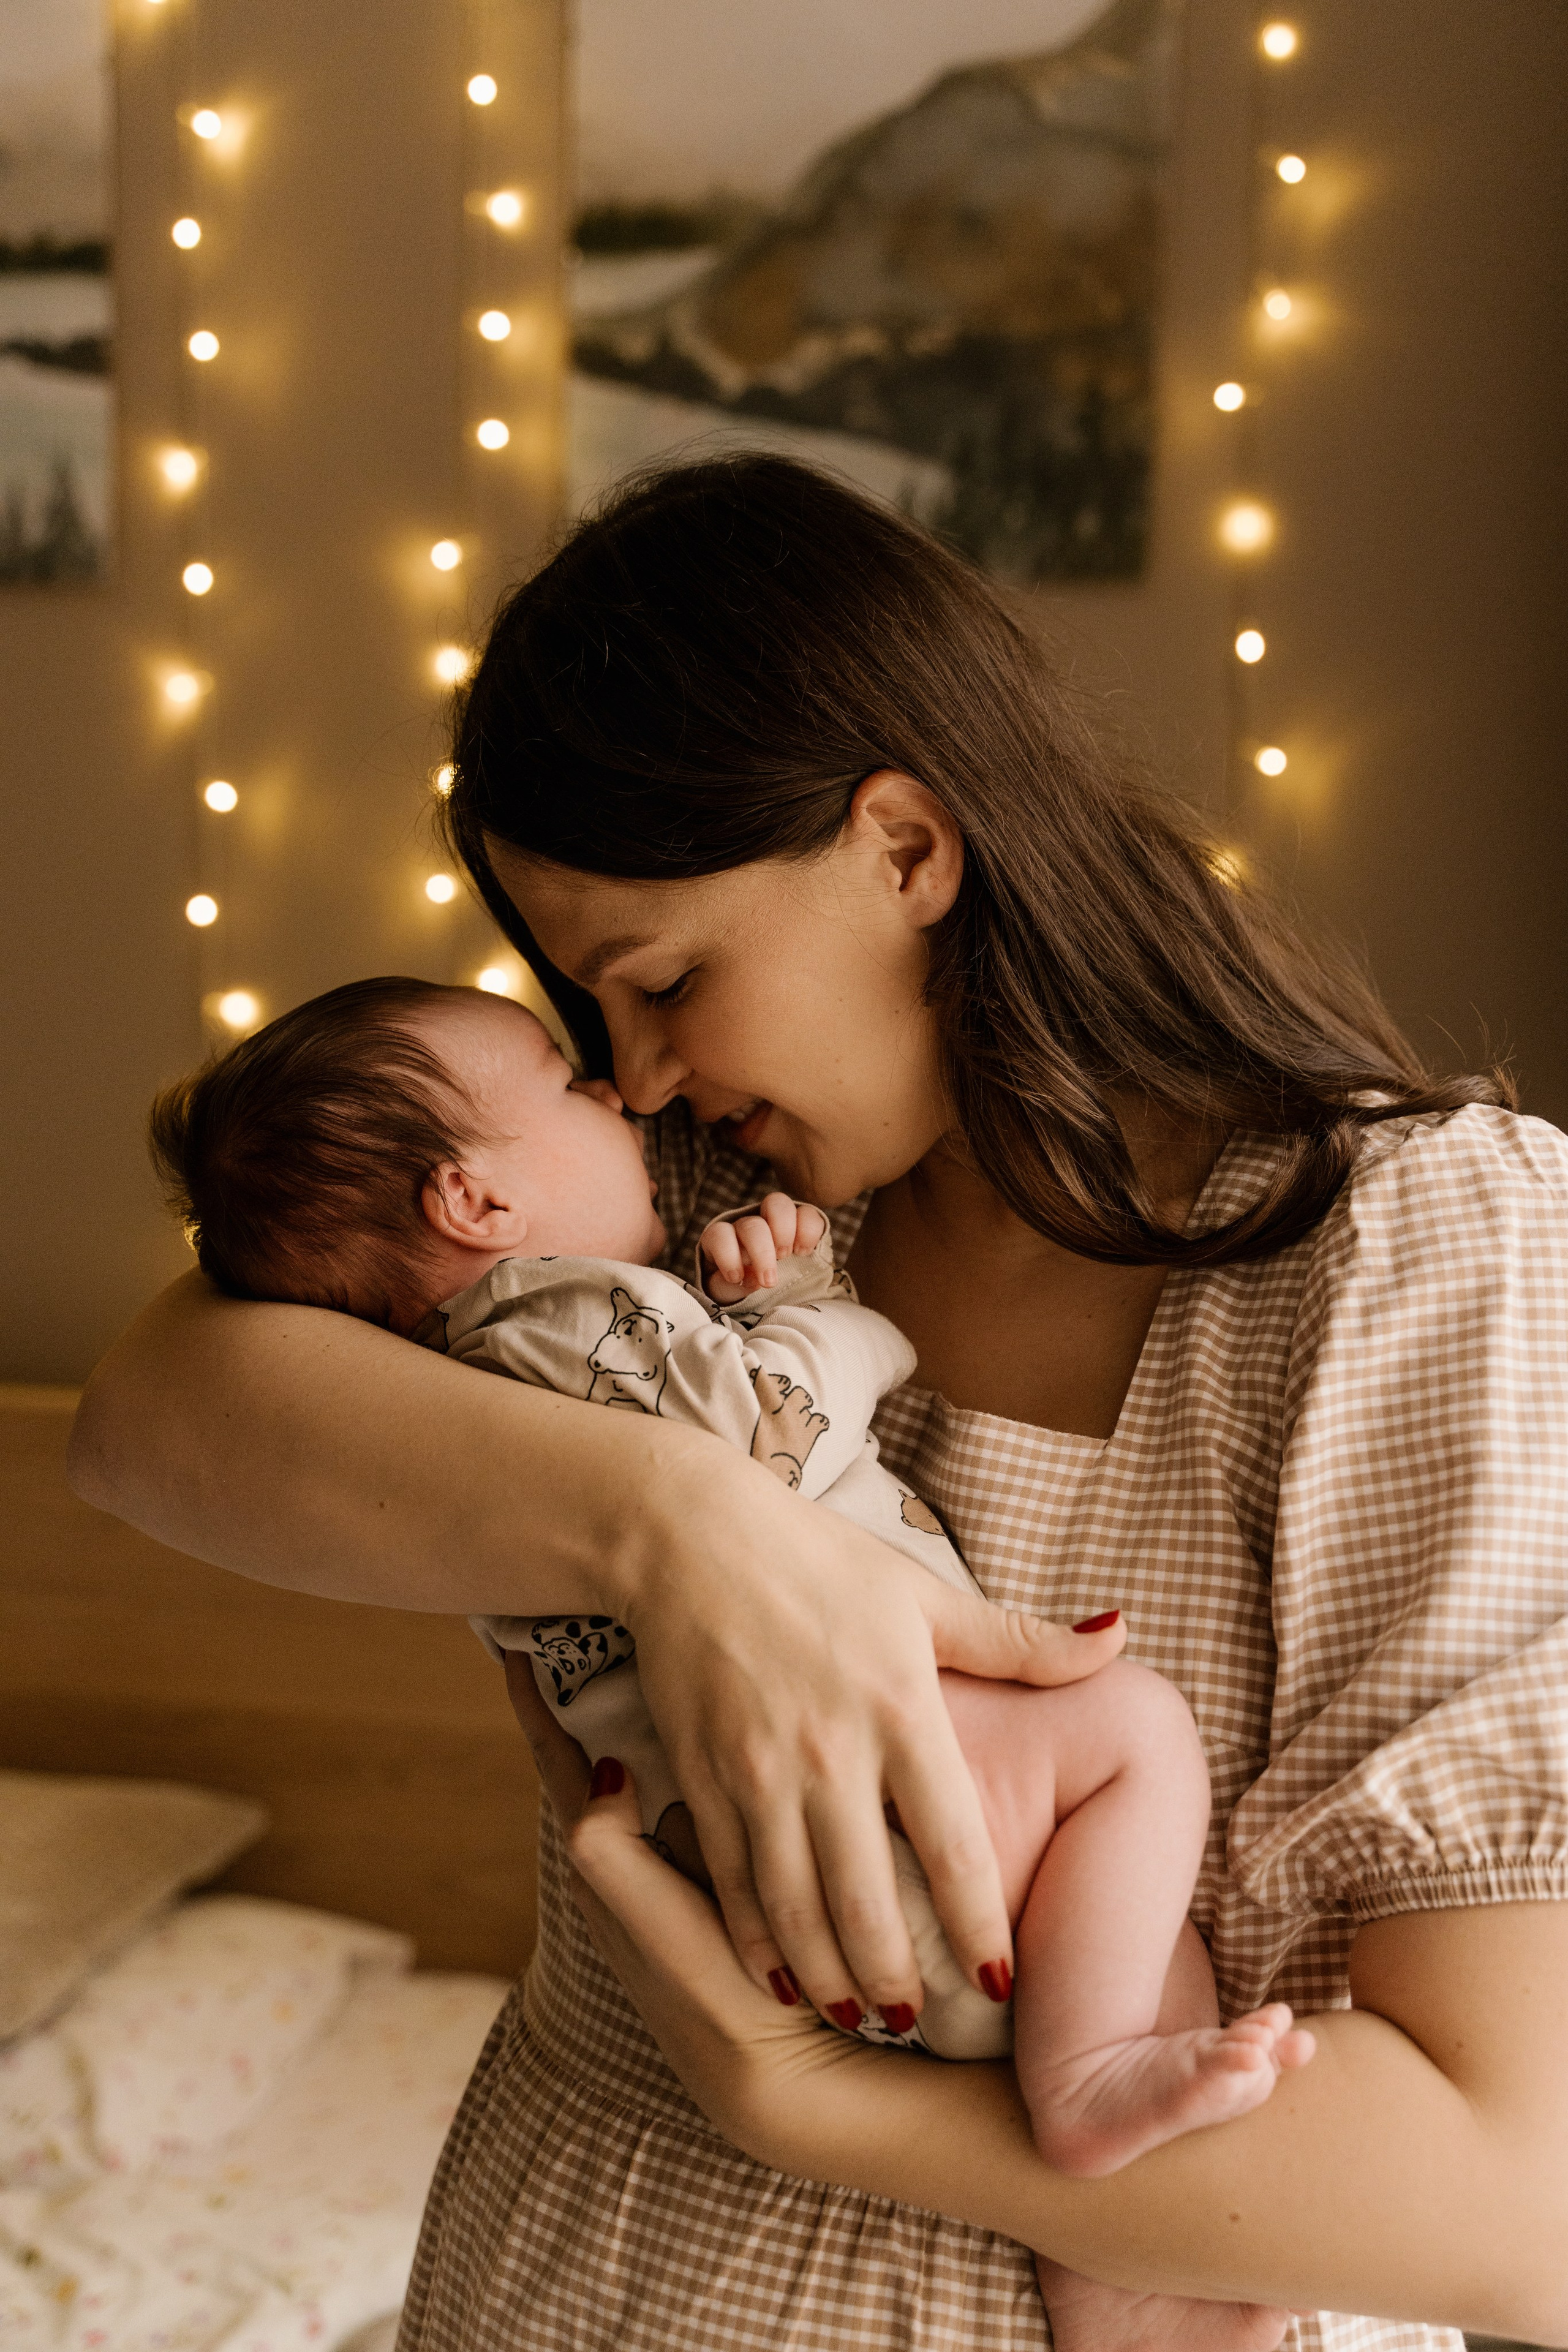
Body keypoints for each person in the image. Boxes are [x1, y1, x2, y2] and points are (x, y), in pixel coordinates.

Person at [70, 456, 1568, 2352]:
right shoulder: (680, 1213)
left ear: (906, 849)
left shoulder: (1410, 1255)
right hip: (568, 2282)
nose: (638, 1071)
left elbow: (1519, 2205)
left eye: (667, 979)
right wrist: (680, 1532)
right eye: (588, 1013)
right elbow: (145, 1420)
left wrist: (812, 2100)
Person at [146, 971, 1317, 2346]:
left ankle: (1112, 2250)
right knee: (1128, 1732)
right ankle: (1092, 2082)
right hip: (876, 1807)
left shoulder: (443, 1406)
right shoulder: (561, 1314)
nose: (617, 1088)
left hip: (752, 1861)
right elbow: (772, 1428)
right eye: (562, 1076)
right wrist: (835, 1305)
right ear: (474, 1204)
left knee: (1117, 1924)